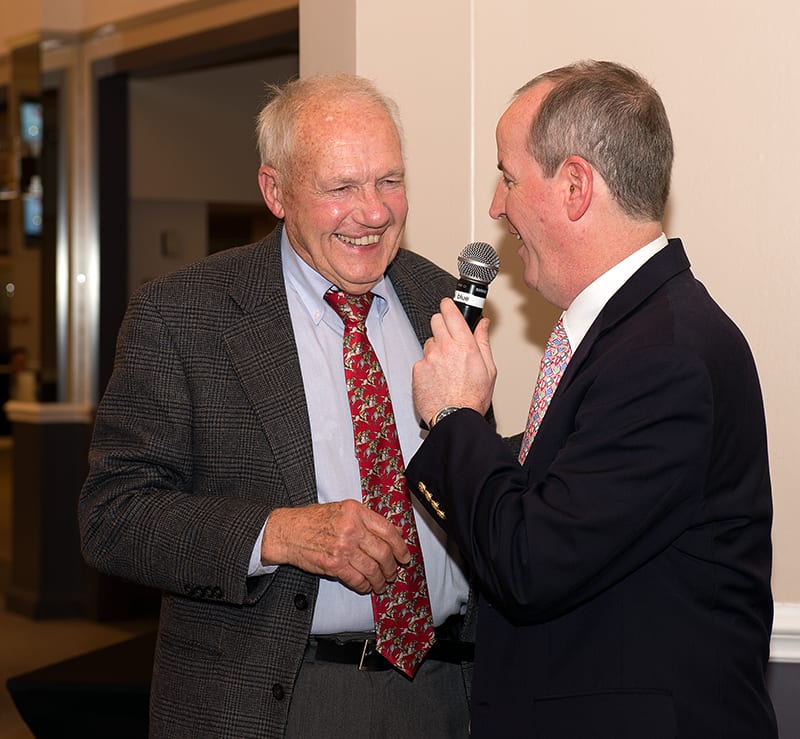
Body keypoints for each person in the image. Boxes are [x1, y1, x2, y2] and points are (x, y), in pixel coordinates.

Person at [79, 73, 476, 738]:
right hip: (278, 701)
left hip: (448, 693)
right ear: (276, 192)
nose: (374, 211)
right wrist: (279, 534)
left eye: (388, 180)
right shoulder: (185, 315)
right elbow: (112, 517)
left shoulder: (442, 302)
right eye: (341, 187)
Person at [406, 60, 777, 738]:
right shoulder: (634, 335)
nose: (496, 205)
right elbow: (565, 514)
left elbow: (531, 561)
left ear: (575, 185)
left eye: (509, 177)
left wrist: (455, 414)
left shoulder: (664, 355)